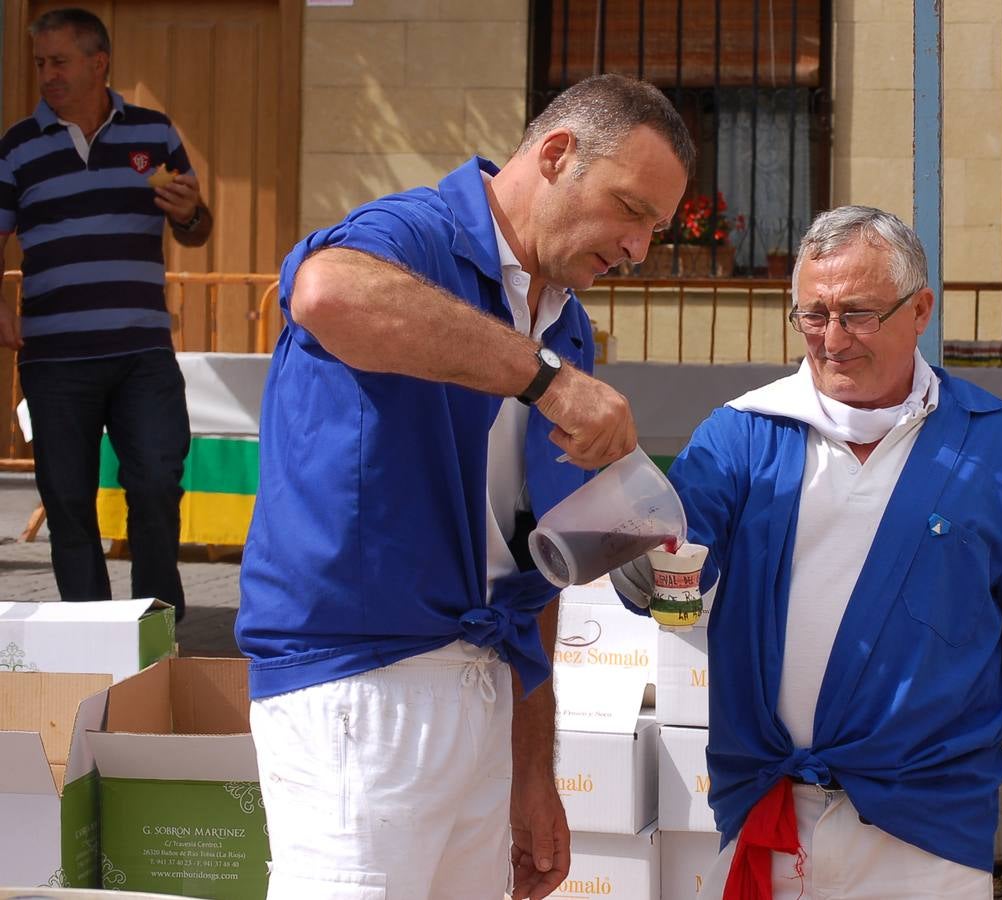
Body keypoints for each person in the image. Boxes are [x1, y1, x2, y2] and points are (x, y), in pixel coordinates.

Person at [235, 74, 693, 900]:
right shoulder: (415, 233)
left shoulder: (567, 320)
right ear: (555, 155)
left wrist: (531, 770)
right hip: (358, 683)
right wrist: (545, 379)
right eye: (631, 210)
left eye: (656, 229)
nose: (638, 249)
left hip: (483, 686)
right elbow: (326, 292)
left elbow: (541, 564)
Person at [613, 206, 1002, 900]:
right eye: (812, 315)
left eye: (857, 314)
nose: (832, 339)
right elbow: (680, 572)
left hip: (927, 841)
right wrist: (643, 568)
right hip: (770, 818)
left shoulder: (995, 446)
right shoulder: (741, 436)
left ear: (920, 310)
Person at [0, 8, 213, 622]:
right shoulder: (17, 146)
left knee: (154, 487)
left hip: (141, 356)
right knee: (67, 504)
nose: (47, 75)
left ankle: (154, 634)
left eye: (59, 61)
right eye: (40, 63)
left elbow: (195, 229)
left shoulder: (150, 137)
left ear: (99, 62)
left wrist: (190, 212)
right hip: (55, 360)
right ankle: (88, 639)